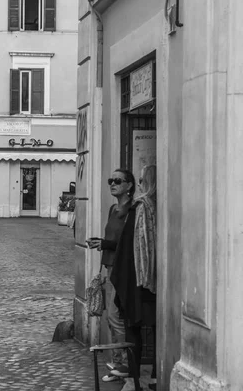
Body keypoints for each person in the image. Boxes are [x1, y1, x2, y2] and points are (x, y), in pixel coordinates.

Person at [86, 168, 135, 382]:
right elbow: (110, 240)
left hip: (122, 268)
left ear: (129, 186)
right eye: (110, 180)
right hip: (109, 266)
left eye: (118, 180)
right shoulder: (112, 209)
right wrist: (102, 267)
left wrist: (104, 244)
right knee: (110, 317)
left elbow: (127, 243)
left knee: (116, 316)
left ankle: (125, 364)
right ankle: (117, 363)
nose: (112, 184)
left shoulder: (131, 210)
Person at [110, 165, 157, 387]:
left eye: (141, 179)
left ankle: (133, 373)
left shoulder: (140, 207)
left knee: (132, 325)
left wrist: (143, 274)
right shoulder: (143, 206)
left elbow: (140, 243)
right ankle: (139, 373)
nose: (112, 184)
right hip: (142, 273)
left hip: (138, 275)